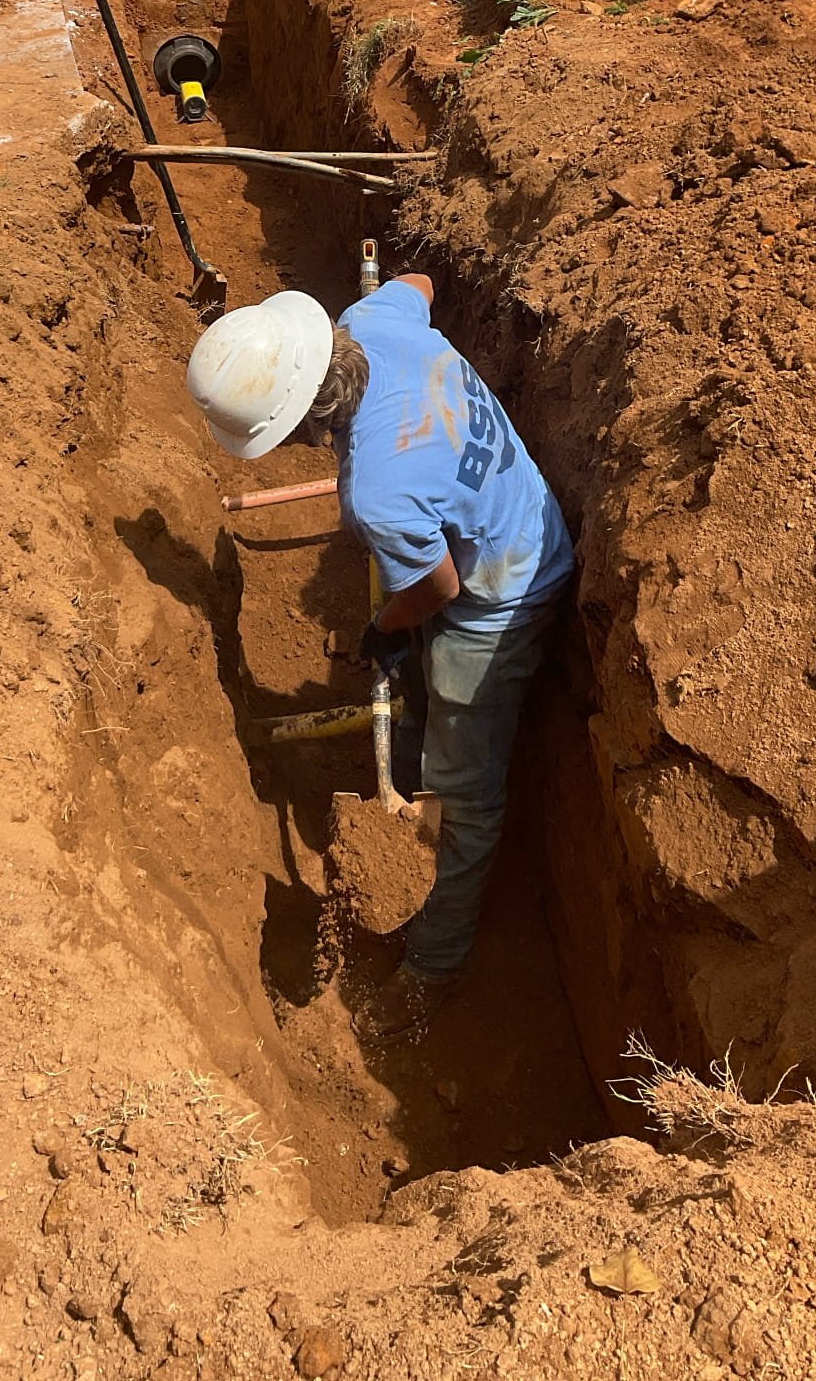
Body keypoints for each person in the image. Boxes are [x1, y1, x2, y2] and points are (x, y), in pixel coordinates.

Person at [186, 276, 574, 1039]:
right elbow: (422, 283)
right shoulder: (373, 315)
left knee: (463, 793)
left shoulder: (379, 495)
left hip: (503, 595)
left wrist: (384, 628)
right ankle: (423, 733)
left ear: (299, 424)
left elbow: (436, 586)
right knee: (425, 676)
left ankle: (437, 961)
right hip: (514, 509)